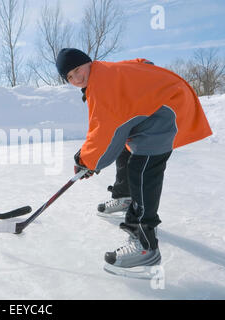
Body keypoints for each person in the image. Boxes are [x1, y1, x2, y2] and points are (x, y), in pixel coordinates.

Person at [55, 48, 212, 276]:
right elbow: (142, 63)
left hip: (166, 112)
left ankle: (145, 246)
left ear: (88, 62)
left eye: (77, 70)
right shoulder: (103, 72)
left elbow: (105, 131)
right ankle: (126, 197)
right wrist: (89, 160)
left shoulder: (102, 83)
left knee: (143, 170)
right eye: (69, 77)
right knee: (124, 146)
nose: (76, 78)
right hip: (158, 106)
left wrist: (86, 161)